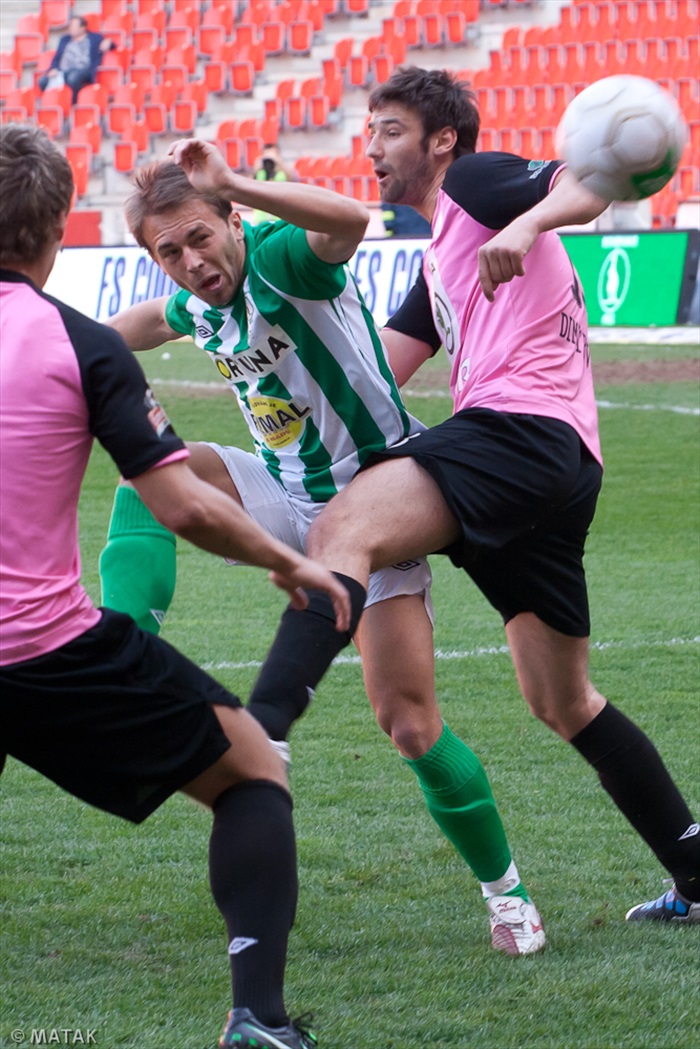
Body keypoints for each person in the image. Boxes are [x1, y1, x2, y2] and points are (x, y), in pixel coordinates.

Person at [245, 66, 700, 926]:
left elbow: (587, 187)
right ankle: (697, 870)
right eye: (369, 130)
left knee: (347, 522)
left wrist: (525, 224)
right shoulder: (437, 258)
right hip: (561, 466)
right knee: (564, 700)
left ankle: (263, 728)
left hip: (521, 435)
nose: (369, 146)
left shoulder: (481, 182)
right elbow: (376, 370)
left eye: (386, 129)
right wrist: (270, 354)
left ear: (440, 139)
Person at [99, 137, 546, 956]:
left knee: (408, 723)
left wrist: (233, 181)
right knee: (150, 474)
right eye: (170, 251)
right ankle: (123, 650)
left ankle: (507, 892)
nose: (193, 262)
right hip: (278, 492)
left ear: (232, 220)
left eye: (202, 236)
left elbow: (351, 220)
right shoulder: (194, 303)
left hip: (376, 502)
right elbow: (123, 329)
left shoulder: (277, 258)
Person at [0, 124, 357, 1049]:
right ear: (53, 237)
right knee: (253, 771)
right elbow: (184, 507)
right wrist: (291, 561)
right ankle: (257, 1019)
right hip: (42, 653)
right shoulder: (78, 345)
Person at [38, 15, 112, 105]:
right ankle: (52, 105)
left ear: (83, 28)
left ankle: (73, 104)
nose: (71, 29)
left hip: (83, 70)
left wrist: (109, 43)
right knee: (42, 81)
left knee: (73, 78)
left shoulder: (94, 38)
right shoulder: (65, 39)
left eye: (74, 26)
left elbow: (111, 44)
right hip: (62, 71)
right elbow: (57, 57)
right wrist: (53, 68)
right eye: (70, 26)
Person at [251, 144, 298, 225]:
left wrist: (278, 161)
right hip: (261, 219)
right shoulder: (260, 172)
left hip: (280, 218)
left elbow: (293, 180)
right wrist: (256, 167)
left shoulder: (282, 172)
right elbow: (249, 186)